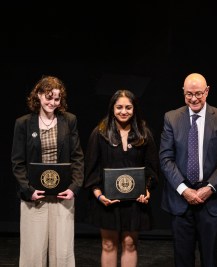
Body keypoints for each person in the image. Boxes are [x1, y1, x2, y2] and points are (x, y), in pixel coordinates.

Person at [159, 73, 217, 267]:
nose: (193, 98)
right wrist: (184, 190)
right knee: (182, 260)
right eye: (189, 94)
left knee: (210, 260)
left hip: (211, 200)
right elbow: (166, 158)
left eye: (198, 94)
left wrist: (210, 188)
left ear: (207, 91)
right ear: (183, 92)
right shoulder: (172, 118)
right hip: (180, 200)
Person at [11, 75, 84, 267]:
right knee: (33, 252)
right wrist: (28, 190)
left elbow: (77, 157)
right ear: (38, 96)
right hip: (35, 196)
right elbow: (17, 162)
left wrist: (74, 187)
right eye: (48, 97)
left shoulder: (69, 121)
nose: (52, 102)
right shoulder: (24, 123)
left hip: (62, 194)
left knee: (63, 252)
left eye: (57, 98)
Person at [84, 89, 159, 267]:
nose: (123, 111)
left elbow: (152, 168)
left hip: (135, 202)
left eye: (128, 107)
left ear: (134, 109)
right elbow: (91, 170)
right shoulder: (100, 133)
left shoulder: (144, 133)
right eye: (119, 107)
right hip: (107, 200)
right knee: (108, 244)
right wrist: (99, 196)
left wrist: (146, 190)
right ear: (112, 109)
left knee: (130, 244)